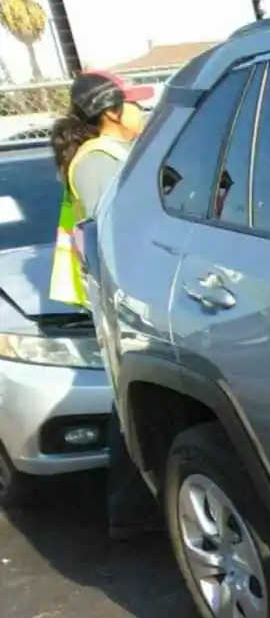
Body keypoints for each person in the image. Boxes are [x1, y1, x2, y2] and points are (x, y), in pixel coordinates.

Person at [49, 70, 160, 537]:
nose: (144, 111)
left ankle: (135, 510)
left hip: (126, 294)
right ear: (111, 112)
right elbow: (112, 234)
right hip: (122, 297)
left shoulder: (113, 152)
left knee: (133, 398)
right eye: (134, 104)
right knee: (130, 398)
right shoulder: (98, 160)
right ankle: (131, 513)